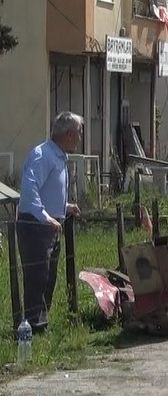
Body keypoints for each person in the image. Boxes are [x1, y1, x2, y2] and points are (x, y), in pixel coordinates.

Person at [16, 112, 83, 332]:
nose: (80, 139)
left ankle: (40, 325)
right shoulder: (42, 155)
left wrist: (64, 208)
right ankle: (32, 326)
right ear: (69, 134)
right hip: (35, 225)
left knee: (48, 277)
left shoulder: (58, 156)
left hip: (50, 224)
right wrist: (46, 218)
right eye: (78, 133)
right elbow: (30, 192)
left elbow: (47, 194)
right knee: (37, 276)